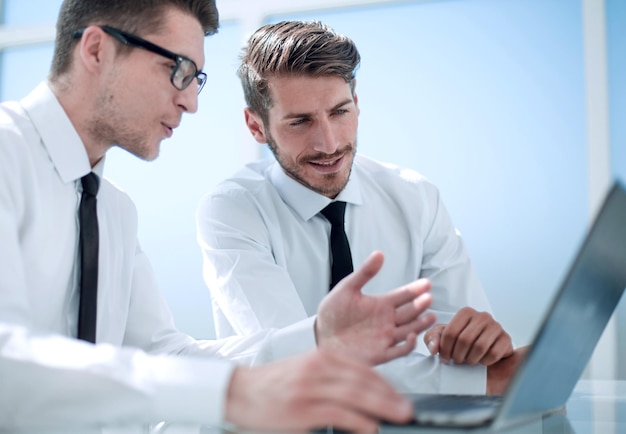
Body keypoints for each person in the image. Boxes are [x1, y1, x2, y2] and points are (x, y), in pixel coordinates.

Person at [0, 3, 440, 433]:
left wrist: (318, 337)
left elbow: (163, 358)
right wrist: (230, 393)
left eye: (197, 79)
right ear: (97, 50)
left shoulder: (113, 209)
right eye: (178, 70)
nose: (190, 102)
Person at [197, 20, 526, 396]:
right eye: (300, 121)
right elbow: (298, 365)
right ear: (256, 127)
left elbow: (467, 345)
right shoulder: (232, 211)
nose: (329, 143)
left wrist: (477, 347)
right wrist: (485, 382)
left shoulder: (416, 198)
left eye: (339, 112)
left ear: (356, 103)